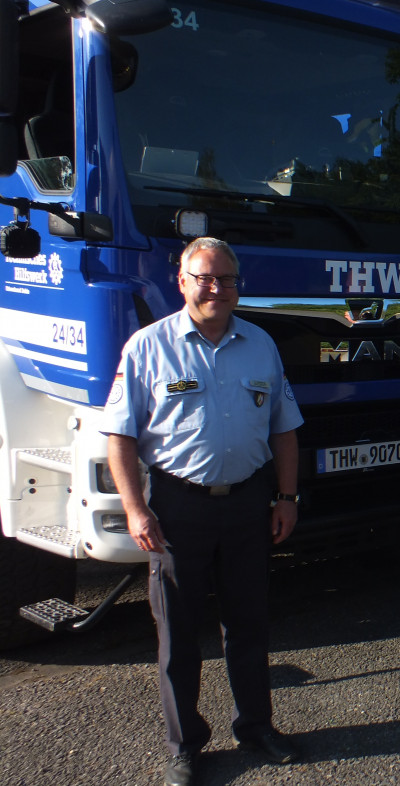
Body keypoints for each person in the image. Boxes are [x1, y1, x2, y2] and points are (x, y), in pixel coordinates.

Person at [101, 237, 304, 786]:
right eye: (205, 278)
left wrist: (286, 498)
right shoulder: (147, 347)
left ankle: (256, 726)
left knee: (249, 624)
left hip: (247, 507)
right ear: (183, 281)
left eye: (228, 279)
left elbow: (285, 429)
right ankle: (184, 746)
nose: (217, 288)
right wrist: (136, 510)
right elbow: (118, 436)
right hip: (176, 512)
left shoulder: (261, 345)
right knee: (178, 633)